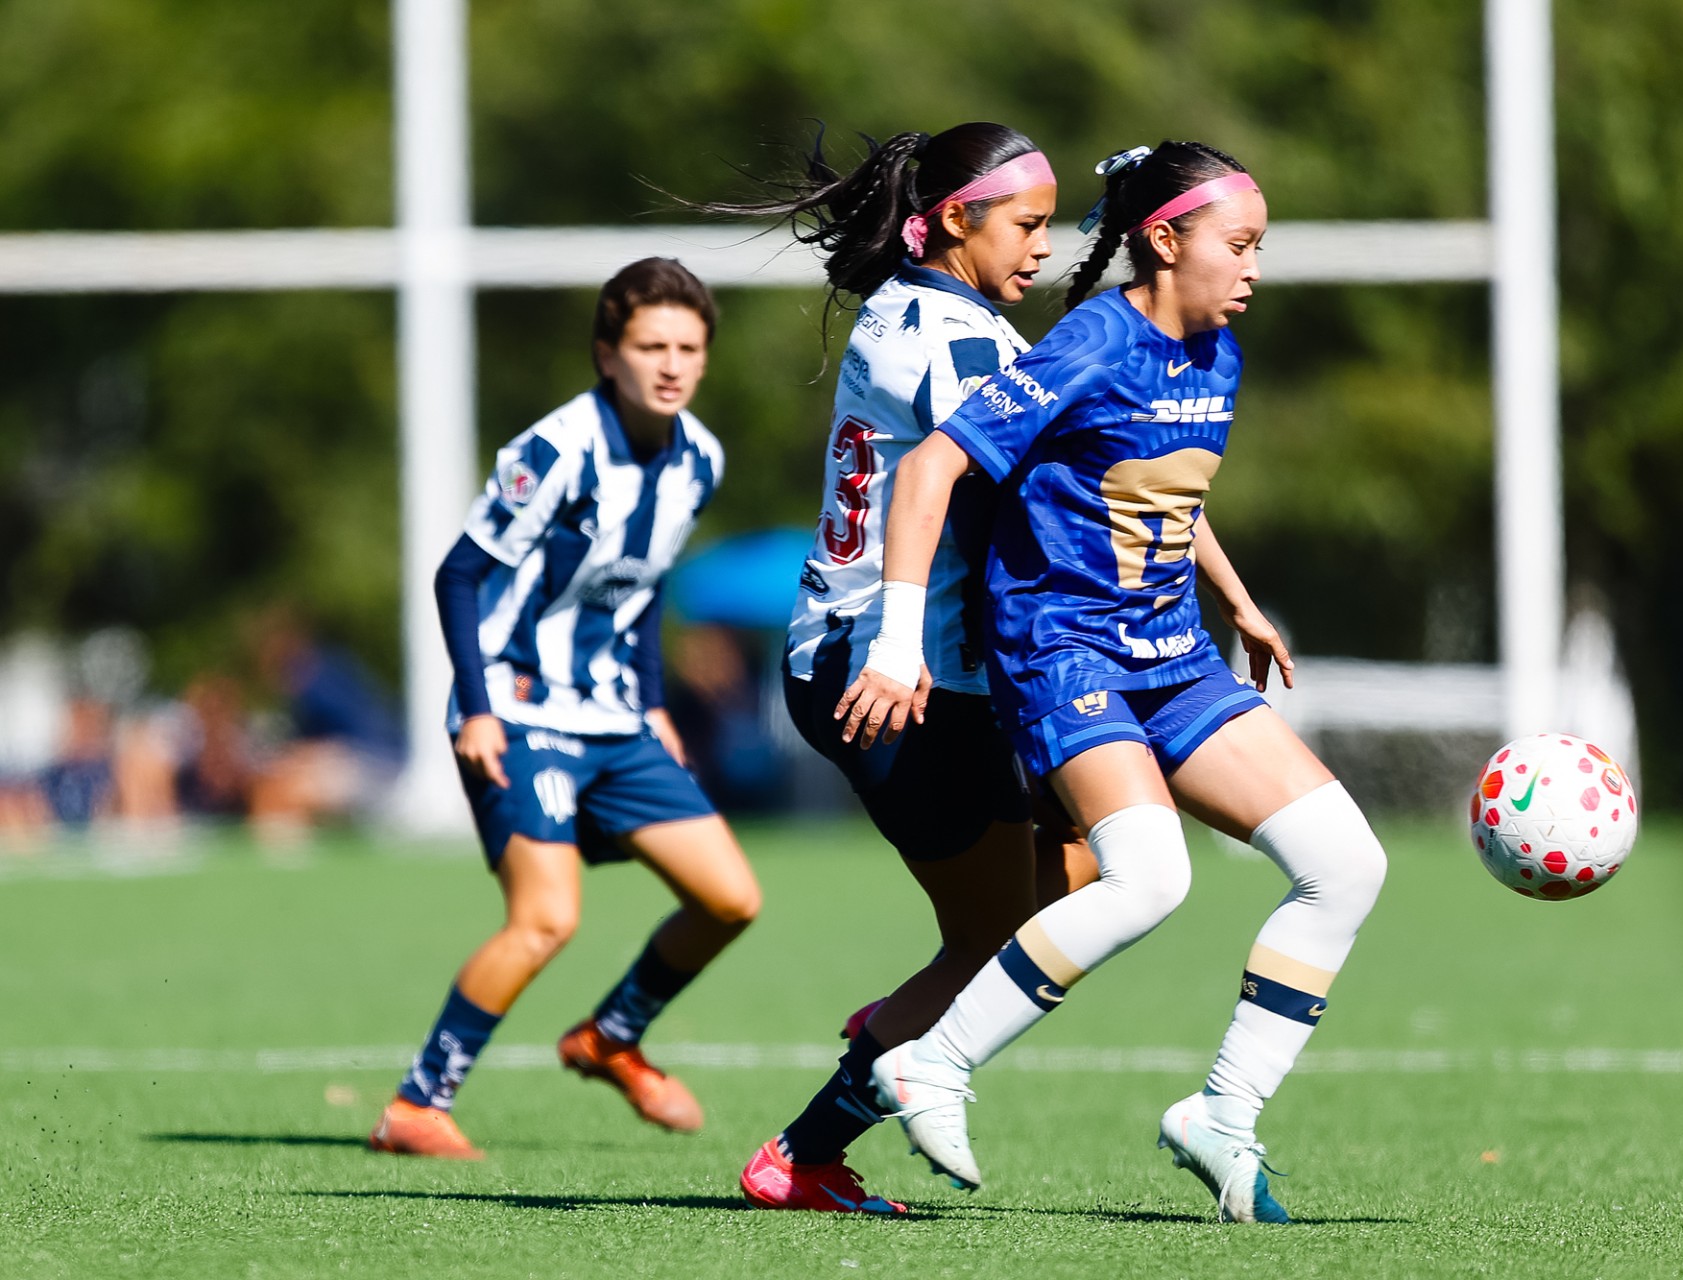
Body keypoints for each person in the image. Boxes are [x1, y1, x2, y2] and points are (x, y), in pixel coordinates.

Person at [842, 142, 1389, 1223]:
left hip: (1172, 655)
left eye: (1261, 247)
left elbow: (1161, 492)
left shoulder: (1217, 354)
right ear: (1166, 239)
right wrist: (898, 641)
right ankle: (931, 1063)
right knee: (1148, 876)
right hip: (1063, 650)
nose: (1254, 267)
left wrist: (1237, 599)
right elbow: (934, 464)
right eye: (1239, 244)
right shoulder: (1093, 340)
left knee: (1347, 864)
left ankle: (1222, 1113)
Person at [703, 122, 1092, 1215]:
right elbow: (1025, 492)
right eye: (1027, 224)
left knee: (1075, 890)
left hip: (901, 668)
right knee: (1005, 947)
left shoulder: (928, 311)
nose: (1045, 246)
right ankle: (804, 1152)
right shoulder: (952, 344)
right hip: (893, 678)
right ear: (957, 219)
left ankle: (896, 1025)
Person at [368, 258, 761, 1160]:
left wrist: (654, 704)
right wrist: (477, 710)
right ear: (607, 355)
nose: (671, 365)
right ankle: (417, 1105)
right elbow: (458, 574)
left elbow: (645, 584)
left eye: (688, 348)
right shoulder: (556, 451)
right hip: (518, 707)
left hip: (613, 716)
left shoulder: (700, 458)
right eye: (651, 347)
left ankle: (611, 1038)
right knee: (546, 918)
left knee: (730, 899)